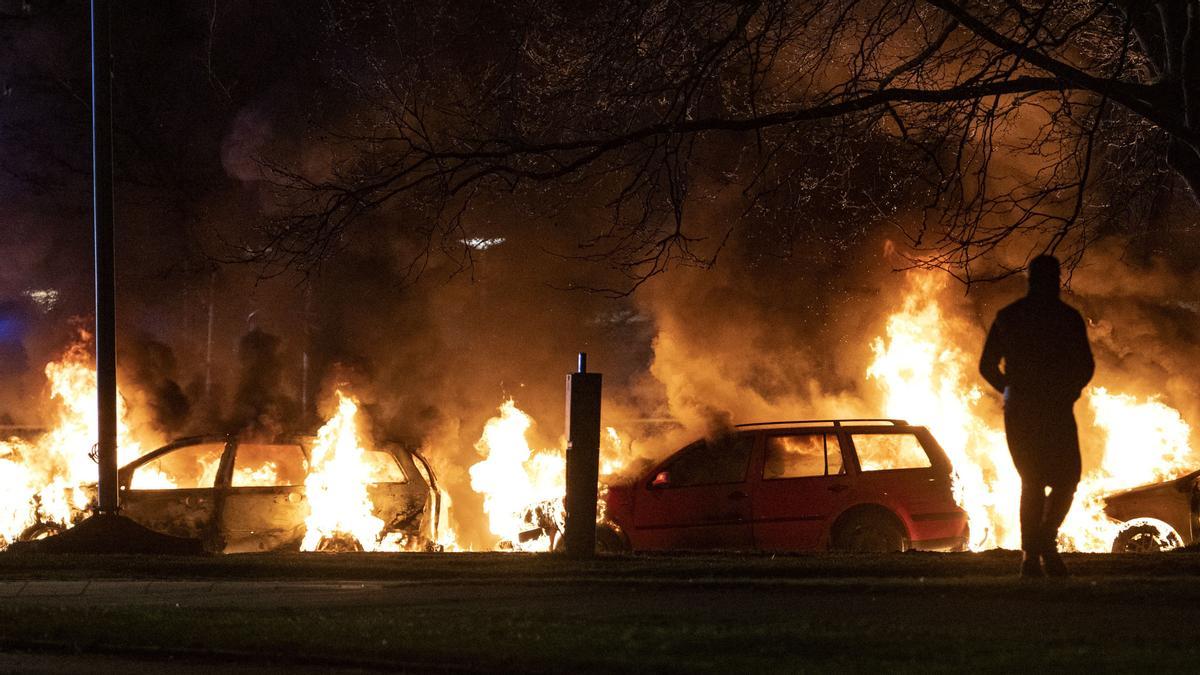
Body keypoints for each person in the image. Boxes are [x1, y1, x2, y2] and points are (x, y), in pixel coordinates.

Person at [979, 255, 1094, 578]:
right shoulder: (1063, 318)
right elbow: (1085, 366)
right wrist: (1069, 390)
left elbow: (987, 366)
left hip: (1031, 410)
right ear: (1053, 279)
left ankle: (1037, 548)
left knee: (1048, 481)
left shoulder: (1013, 316)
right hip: (1046, 409)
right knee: (1055, 480)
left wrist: (1008, 389)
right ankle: (1039, 551)